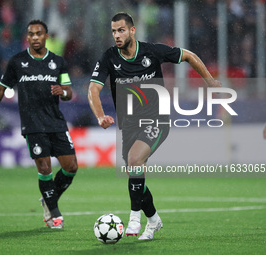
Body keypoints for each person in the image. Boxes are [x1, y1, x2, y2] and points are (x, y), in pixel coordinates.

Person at [88, 12, 221, 241]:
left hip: (157, 120)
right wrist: (100, 116)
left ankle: (133, 218)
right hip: (129, 125)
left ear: (132, 30)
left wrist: (209, 80)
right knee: (135, 174)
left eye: (121, 30)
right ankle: (153, 220)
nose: (117, 35)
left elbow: (188, 55)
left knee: (134, 161)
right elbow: (93, 89)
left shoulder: (152, 51)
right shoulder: (109, 57)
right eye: (113, 31)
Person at [0, 19, 78, 229]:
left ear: (46, 36)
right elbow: (0, 89)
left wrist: (63, 91)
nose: (35, 37)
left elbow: (69, 91)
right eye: (31, 34)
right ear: (27, 37)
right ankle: (53, 212)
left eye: (39, 33)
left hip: (55, 122)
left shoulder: (58, 62)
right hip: (33, 124)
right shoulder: (17, 62)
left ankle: (49, 198)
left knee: (71, 167)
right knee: (45, 167)